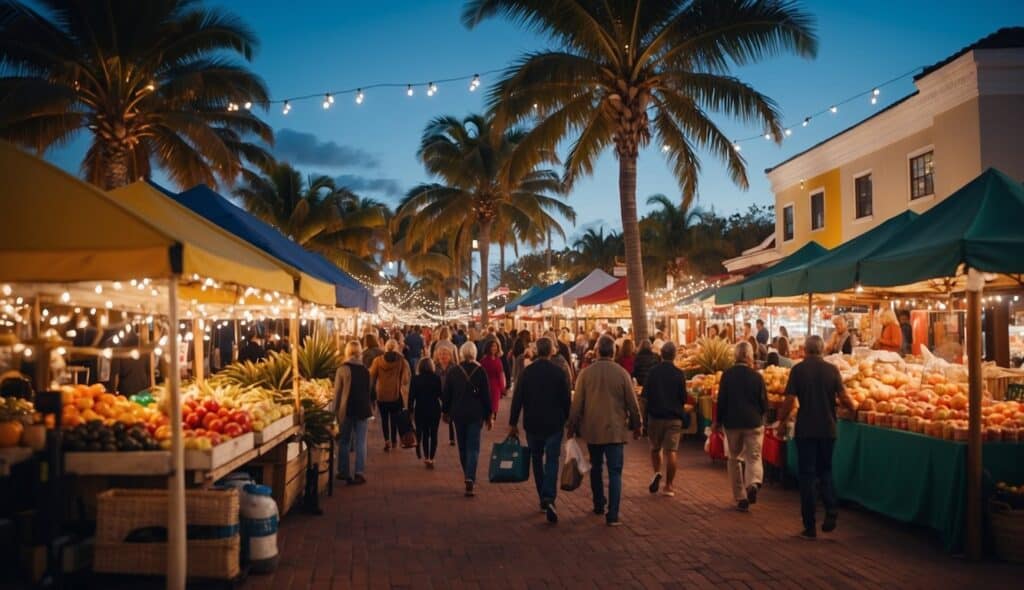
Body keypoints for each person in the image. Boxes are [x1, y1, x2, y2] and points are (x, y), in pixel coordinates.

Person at [776, 335, 858, 539]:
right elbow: (844, 397)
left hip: (806, 430)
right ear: (822, 350)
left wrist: (781, 421)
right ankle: (831, 510)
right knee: (826, 471)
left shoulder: (798, 370)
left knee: (807, 477)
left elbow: (789, 400)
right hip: (828, 429)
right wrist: (854, 408)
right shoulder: (832, 370)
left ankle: (810, 525)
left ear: (805, 350)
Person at [568, 336, 642, 526]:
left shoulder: (586, 374)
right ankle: (613, 513)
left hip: (593, 429)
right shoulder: (622, 373)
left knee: (596, 467)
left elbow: (577, 405)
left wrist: (572, 426)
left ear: (598, 351)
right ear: (613, 352)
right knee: (615, 471)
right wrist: (637, 425)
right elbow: (633, 404)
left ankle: (599, 503)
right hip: (616, 430)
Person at [509, 337, 572, 523]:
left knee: (536, 458)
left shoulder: (527, 372)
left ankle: (542, 496)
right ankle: (549, 496)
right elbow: (566, 399)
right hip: (554, 423)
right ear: (551, 351)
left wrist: (513, 422)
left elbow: (517, 398)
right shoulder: (558, 372)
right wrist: (569, 420)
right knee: (552, 459)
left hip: (533, 422)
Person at [713, 341, 768, 511]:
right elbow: (764, 402)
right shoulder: (757, 377)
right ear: (750, 357)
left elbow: (721, 401)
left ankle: (740, 496)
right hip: (753, 422)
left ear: (735, 356)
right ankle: (753, 483)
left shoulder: (727, 376)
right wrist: (762, 416)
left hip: (732, 423)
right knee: (754, 456)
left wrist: (718, 421)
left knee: (734, 457)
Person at [443, 342, 493, 497]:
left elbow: (447, 394)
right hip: (475, 414)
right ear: (475, 353)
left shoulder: (453, 371)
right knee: (474, 447)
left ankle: (468, 474)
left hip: (458, 413)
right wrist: (489, 415)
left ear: (461, 353)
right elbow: (486, 395)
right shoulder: (480, 371)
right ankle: (470, 476)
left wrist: (445, 411)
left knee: (462, 446)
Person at [641, 341, 688, 497]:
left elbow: (645, 397)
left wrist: (642, 418)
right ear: (674, 356)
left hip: (656, 416)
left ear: (661, 354)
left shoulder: (653, 372)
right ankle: (669, 485)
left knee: (655, 448)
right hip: (674, 417)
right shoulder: (679, 374)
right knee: (672, 451)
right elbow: (683, 398)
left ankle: (656, 473)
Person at [333, 341, 373, 485]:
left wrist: (333, 413)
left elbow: (337, 394)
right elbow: (368, 391)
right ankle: (359, 472)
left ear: (347, 351)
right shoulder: (365, 370)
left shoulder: (342, 369)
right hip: (363, 409)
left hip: (347, 409)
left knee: (344, 441)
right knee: (361, 442)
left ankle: (344, 471)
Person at [369, 339, 411, 452]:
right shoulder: (401, 361)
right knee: (394, 418)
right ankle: (394, 441)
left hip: (381, 394)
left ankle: (386, 440)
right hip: (395, 394)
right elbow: (406, 380)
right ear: (396, 348)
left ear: (385, 348)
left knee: (384, 418)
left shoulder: (377, 361)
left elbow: (371, 376)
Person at [409, 358, 443, 468]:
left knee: (424, 433)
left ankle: (426, 456)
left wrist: (410, 410)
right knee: (434, 434)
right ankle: (432, 458)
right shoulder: (436, 378)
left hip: (420, 409)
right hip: (434, 409)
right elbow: (440, 395)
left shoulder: (415, 379)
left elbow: (411, 396)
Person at [434, 344, 458, 447]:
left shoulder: (454, 367)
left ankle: (452, 437)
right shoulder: (435, 367)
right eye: (441, 354)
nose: (443, 356)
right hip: (438, 394)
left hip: (451, 394)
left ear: (450, 356)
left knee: (451, 415)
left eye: (445, 354)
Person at [480, 339, 506, 420]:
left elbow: (501, 375)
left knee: (494, 406)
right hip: (486, 386)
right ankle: (488, 418)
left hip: (496, 387)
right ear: (488, 348)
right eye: (492, 346)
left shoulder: (498, 360)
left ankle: (492, 418)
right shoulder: (483, 361)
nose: (494, 348)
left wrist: (502, 388)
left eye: (495, 346)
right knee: (487, 404)